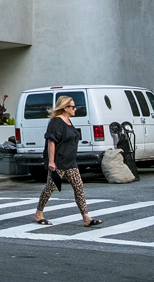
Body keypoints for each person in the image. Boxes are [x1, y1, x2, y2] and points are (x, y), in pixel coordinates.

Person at [33, 96, 101, 227]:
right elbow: (51, 141)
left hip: (70, 162)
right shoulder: (56, 122)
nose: (75, 109)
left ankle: (86, 217)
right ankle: (38, 214)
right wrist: (51, 162)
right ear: (65, 108)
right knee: (50, 188)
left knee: (79, 187)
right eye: (73, 107)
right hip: (59, 162)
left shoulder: (68, 121)